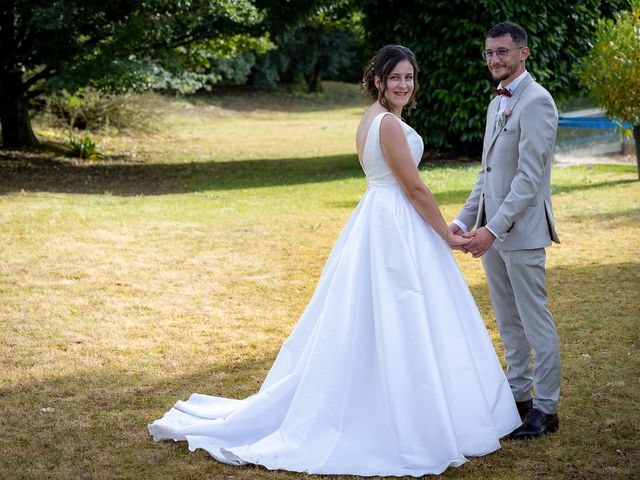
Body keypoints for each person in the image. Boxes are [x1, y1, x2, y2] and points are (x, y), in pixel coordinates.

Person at [149, 45, 520, 476]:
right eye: (396, 77)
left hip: (378, 219)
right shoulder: (389, 126)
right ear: (378, 80)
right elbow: (414, 188)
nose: (404, 84)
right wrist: (447, 236)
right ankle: (404, 416)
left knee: (378, 315)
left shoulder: (370, 119)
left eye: (409, 78)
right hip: (394, 223)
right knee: (401, 310)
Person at [451, 22, 561, 439]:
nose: (495, 59)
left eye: (502, 52)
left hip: (522, 232)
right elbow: (488, 173)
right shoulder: (496, 103)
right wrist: (464, 220)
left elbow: (529, 180)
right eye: (490, 52)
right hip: (491, 233)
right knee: (507, 322)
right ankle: (519, 398)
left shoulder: (537, 102)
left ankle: (546, 409)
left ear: (523, 53)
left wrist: (491, 230)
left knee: (535, 322)